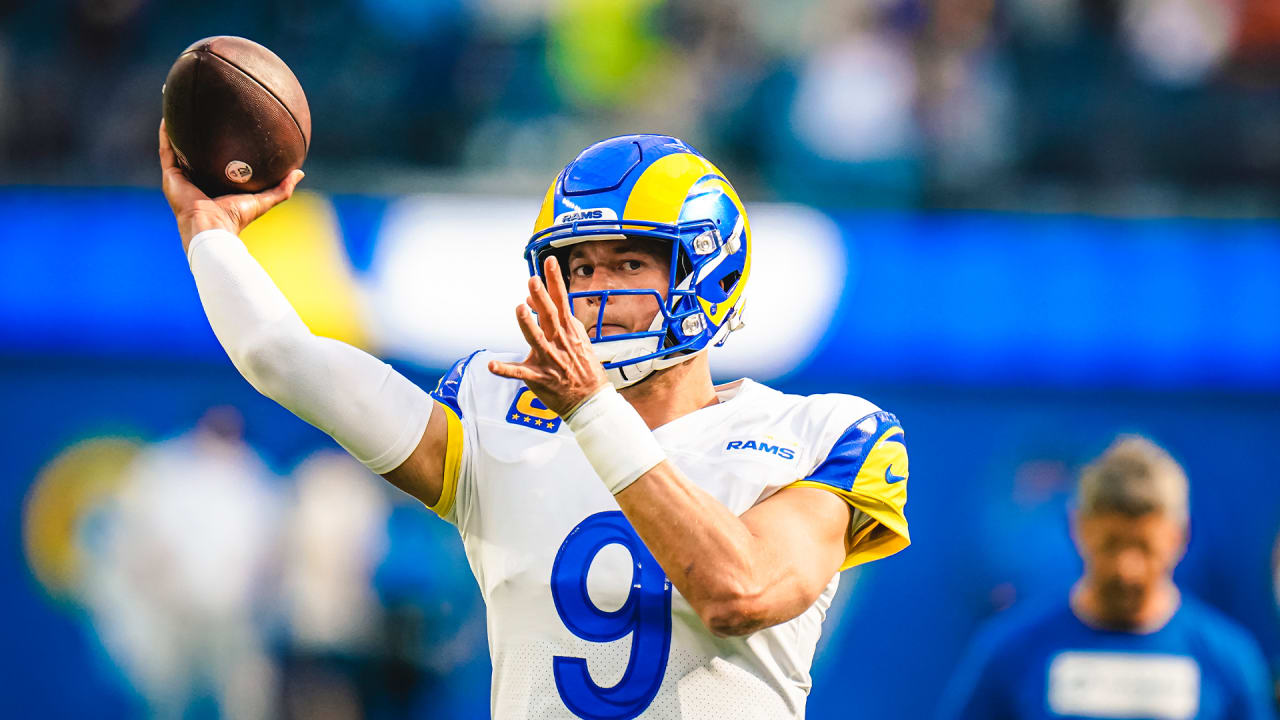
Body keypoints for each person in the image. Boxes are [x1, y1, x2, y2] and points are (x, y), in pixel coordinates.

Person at [160, 125, 910, 719]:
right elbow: (284, 357)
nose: (593, 293)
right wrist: (209, 230)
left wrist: (591, 410)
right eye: (578, 268)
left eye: (626, 264)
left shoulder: (823, 433)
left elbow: (739, 591)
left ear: (705, 272)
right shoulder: (499, 412)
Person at [937, 435, 1276, 720]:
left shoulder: (1228, 662)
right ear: (1077, 528)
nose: (1126, 569)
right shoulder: (1009, 653)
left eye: (1145, 548)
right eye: (1110, 545)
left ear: (1180, 536)